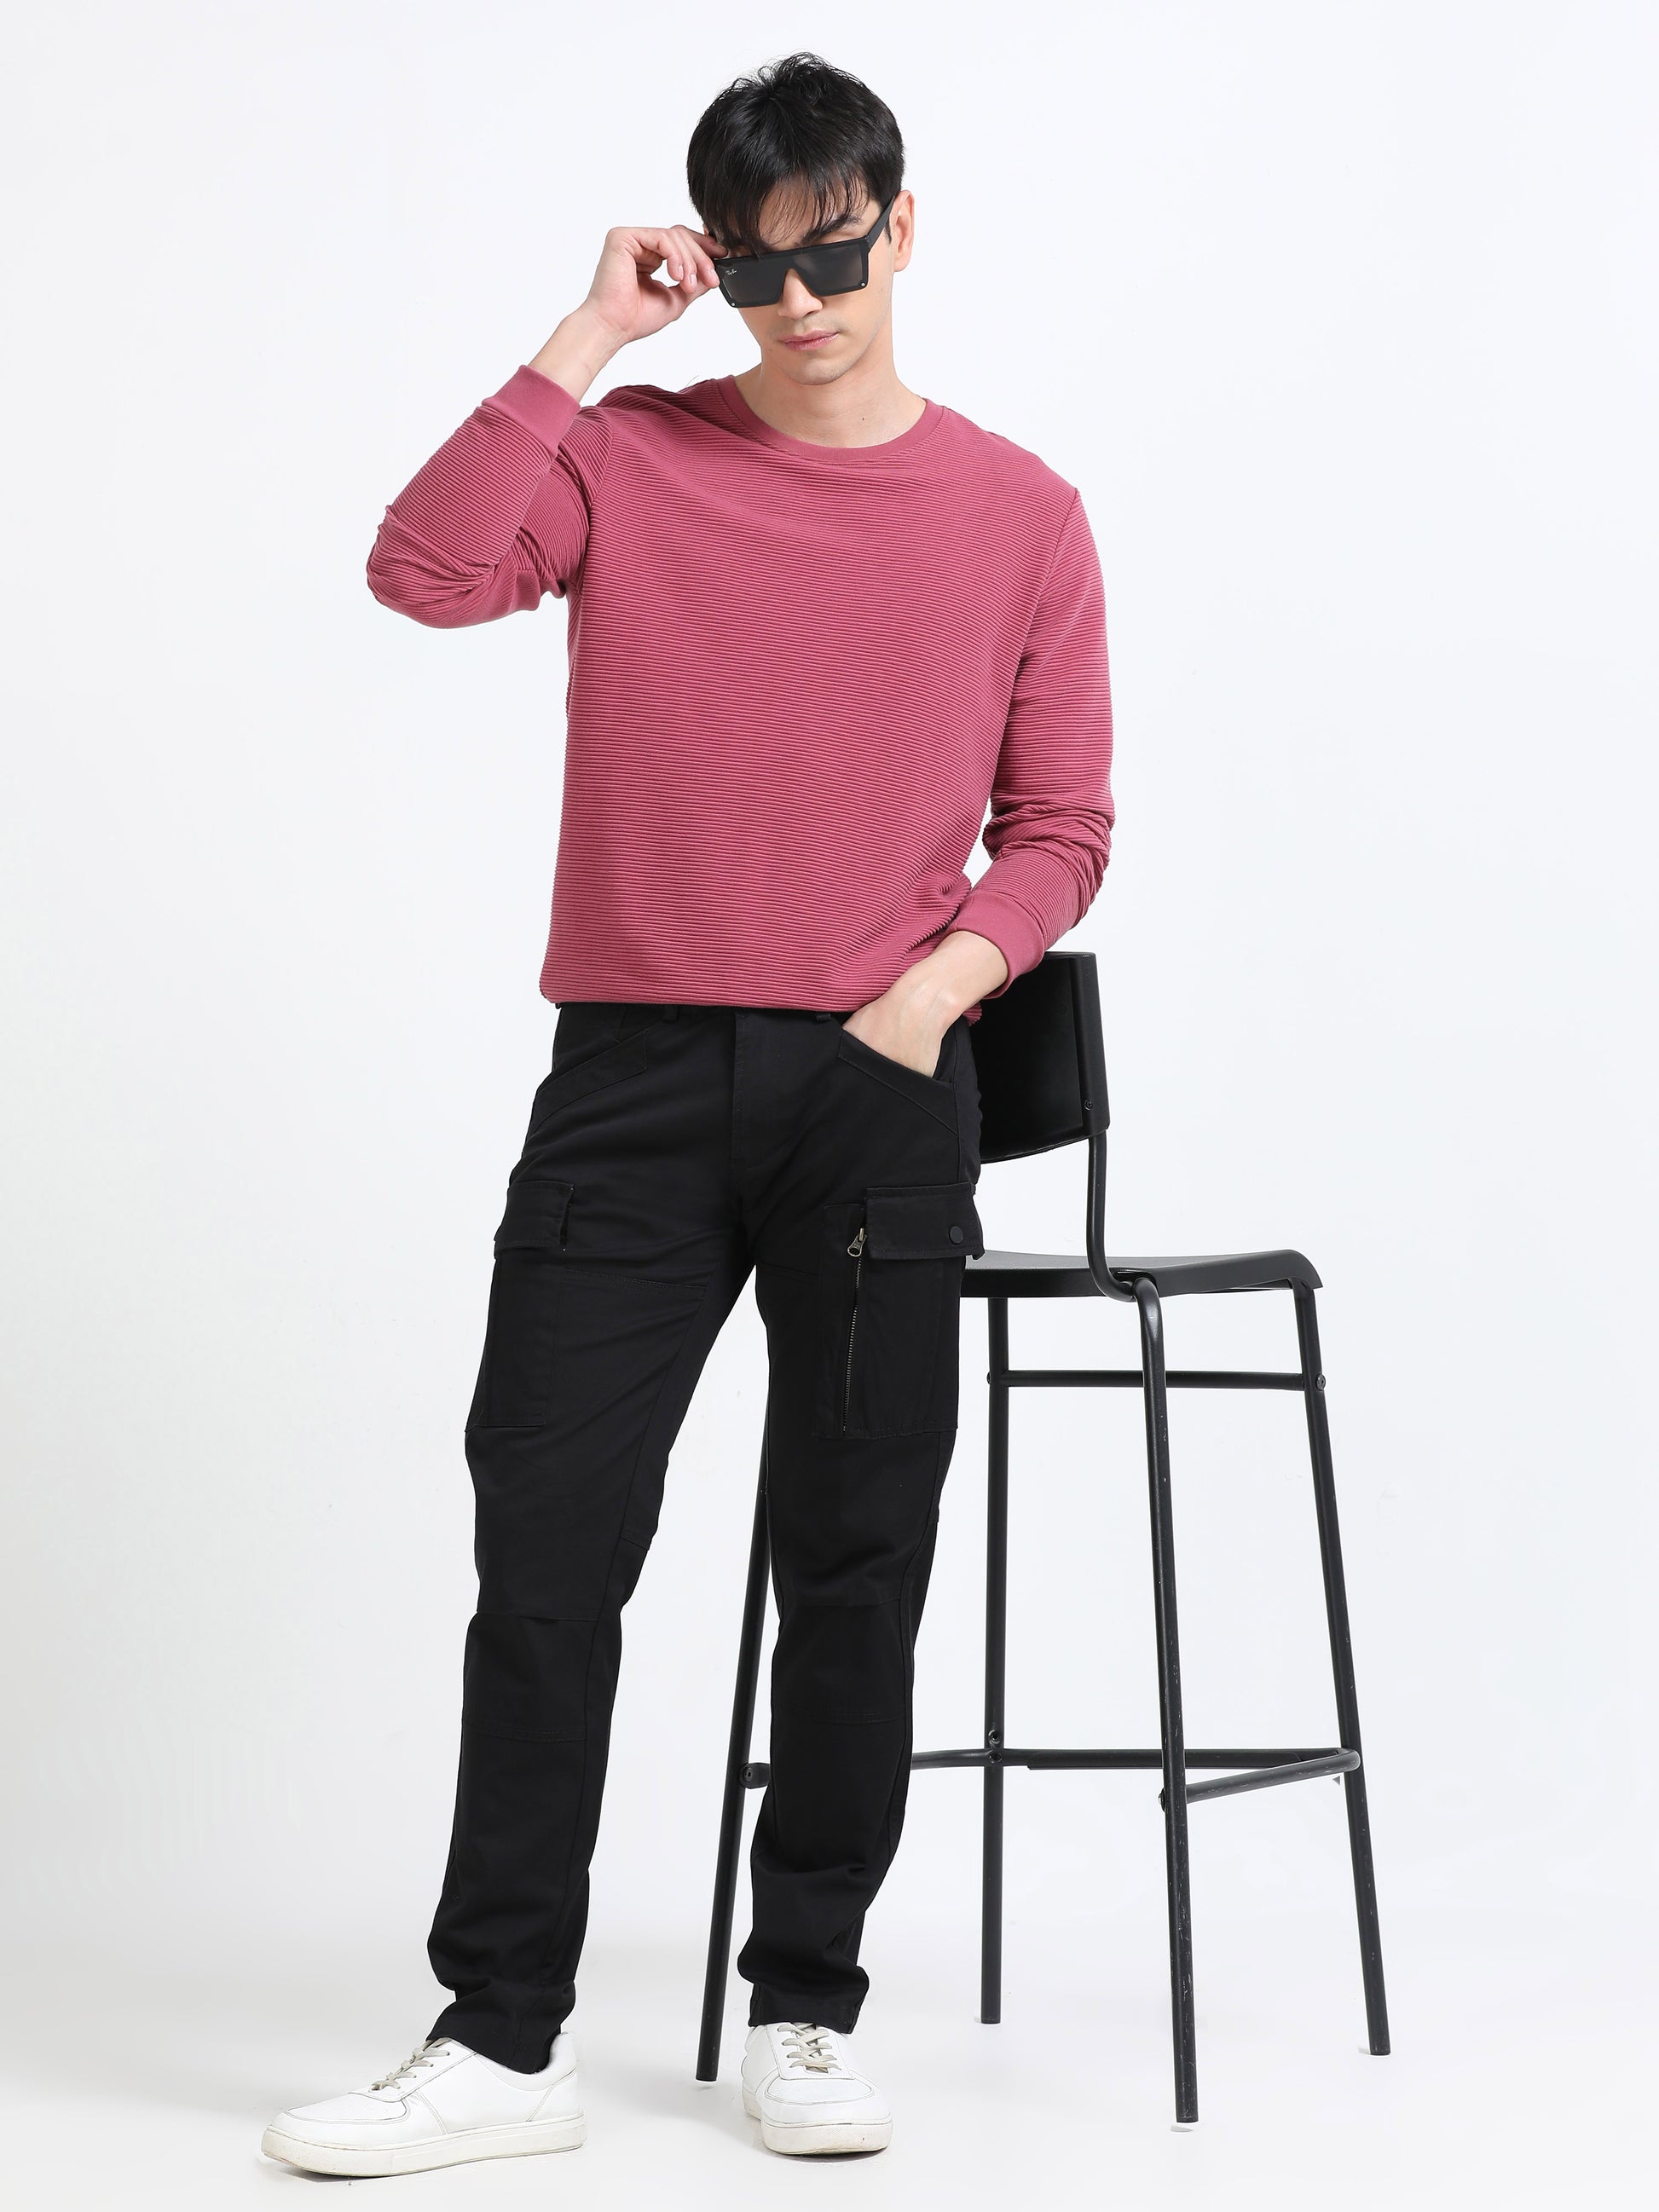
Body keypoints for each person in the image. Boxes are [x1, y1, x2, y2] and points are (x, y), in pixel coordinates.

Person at [261, 49, 1114, 2178]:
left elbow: (1062, 825)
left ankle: (804, 2003)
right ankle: (500, 2032)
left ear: (901, 228)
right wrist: (586, 334)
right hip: (631, 1079)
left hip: (878, 1087)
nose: (799, 302)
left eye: (834, 253)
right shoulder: (630, 455)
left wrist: (926, 997)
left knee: (856, 1553)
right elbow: (423, 571)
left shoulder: (1020, 510)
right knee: (545, 1546)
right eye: (753, 267)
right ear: (708, 261)